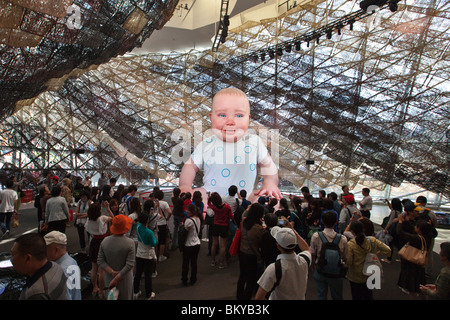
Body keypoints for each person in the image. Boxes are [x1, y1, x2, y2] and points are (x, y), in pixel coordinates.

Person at [179, 87, 282, 203]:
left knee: (273, 201)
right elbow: (190, 166)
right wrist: (185, 185)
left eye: (239, 116)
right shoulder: (206, 144)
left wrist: (270, 183)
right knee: (197, 195)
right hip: (210, 195)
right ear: (211, 118)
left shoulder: (254, 142)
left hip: (247, 197)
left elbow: (268, 166)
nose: (230, 121)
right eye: (222, 115)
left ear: (248, 119)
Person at [255, 219, 311, 300]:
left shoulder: (273, 268)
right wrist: (293, 232)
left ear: (278, 246)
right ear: (295, 244)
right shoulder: (304, 260)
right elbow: (307, 249)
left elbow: (259, 297)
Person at [11, 233, 68, 300]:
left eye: (13, 255)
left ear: (28, 258)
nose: (11, 260)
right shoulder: (56, 267)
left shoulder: (37, 293)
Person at [397, 202, 434, 299]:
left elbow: (401, 233)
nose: (417, 213)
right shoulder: (427, 236)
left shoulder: (417, 238)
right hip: (419, 265)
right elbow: (413, 230)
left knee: (412, 287)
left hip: (412, 264)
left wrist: (401, 222)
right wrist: (405, 222)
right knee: (420, 286)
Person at [346, 220, 391, 300]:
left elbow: (349, 262)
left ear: (352, 232)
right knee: (368, 295)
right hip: (369, 273)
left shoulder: (351, 244)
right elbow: (388, 250)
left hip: (355, 276)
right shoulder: (372, 240)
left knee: (356, 296)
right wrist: (377, 254)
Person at [310, 210, 348, 300]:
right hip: (336, 272)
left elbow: (313, 253)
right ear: (335, 222)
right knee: (337, 296)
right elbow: (345, 257)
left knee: (321, 295)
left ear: (322, 221)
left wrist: (312, 266)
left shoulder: (316, 236)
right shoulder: (342, 238)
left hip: (320, 270)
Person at [98, 214, 136, 300]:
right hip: (125, 278)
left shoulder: (105, 241)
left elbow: (100, 261)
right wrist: (118, 276)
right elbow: (130, 264)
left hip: (109, 278)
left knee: (111, 297)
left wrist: (112, 272)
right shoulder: (130, 243)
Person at [236, 203, 265, 300]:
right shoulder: (259, 229)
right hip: (252, 256)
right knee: (251, 280)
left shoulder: (244, 222)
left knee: (242, 276)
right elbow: (261, 243)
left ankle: (239, 297)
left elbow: (243, 215)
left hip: (242, 252)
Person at [84, 202, 112, 297]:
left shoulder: (89, 219)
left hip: (93, 242)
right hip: (102, 242)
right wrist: (108, 209)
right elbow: (113, 217)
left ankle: (94, 288)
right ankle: (101, 291)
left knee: (94, 268)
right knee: (102, 270)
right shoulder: (102, 218)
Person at [44, 231, 82, 300]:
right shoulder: (72, 261)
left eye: (46, 249)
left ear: (56, 250)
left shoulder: (60, 271)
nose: (44, 253)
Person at [133, 212, 158, 300]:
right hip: (148, 255)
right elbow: (153, 243)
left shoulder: (138, 227)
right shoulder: (149, 232)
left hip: (139, 254)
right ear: (147, 220)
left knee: (138, 274)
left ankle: (136, 291)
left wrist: (149, 215)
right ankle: (148, 294)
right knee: (148, 275)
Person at [208, 192, 233, 268]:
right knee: (223, 246)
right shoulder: (227, 206)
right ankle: (221, 263)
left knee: (214, 244)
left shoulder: (213, 207)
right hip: (224, 226)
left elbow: (208, 203)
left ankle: (213, 261)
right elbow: (231, 217)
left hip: (215, 225)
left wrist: (209, 197)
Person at [181, 204, 202, 286]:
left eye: (187, 210)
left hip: (188, 245)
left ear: (192, 211)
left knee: (185, 263)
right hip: (197, 243)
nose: (186, 211)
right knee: (194, 262)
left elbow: (184, 232)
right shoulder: (198, 219)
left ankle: (184, 279)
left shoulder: (188, 221)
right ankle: (193, 279)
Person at [382, 198, 403, 263]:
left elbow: (390, 221)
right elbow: (390, 207)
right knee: (398, 244)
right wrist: (387, 202)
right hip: (397, 229)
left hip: (392, 230)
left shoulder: (394, 212)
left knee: (390, 244)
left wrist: (386, 229)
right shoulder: (399, 211)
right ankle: (401, 258)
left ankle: (389, 259)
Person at [154, 189, 172, 262]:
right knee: (162, 240)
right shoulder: (164, 203)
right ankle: (161, 256)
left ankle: (154, 255)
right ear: (162, 196)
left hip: (154, 224)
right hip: (162, 224)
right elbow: (170, 212)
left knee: (154, 240)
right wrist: (167, 218)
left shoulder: (153, 202)